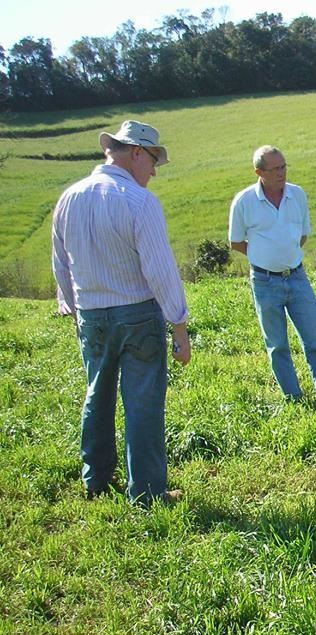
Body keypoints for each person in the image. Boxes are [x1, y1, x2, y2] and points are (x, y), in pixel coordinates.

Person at [52, 120, 191, 507]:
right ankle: (146, 493)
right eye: (153, 160)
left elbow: (61, 264)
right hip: (137, 315)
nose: (154, 170)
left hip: (91, 314)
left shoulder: (69, 197)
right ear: (135, 153)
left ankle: (95, 479)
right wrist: (178, 326)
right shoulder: (139, 201)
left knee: (97, 395)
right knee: (142, 402)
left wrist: (74, 308)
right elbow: (160, 271)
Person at [229, 146, 316, 403]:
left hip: (297, 277)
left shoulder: (297, 195)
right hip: (264, 282)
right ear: (259, 172)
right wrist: (264, 259)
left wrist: (285, 258)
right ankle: (294, 398)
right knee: (277, 345)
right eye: (275, 168)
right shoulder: (244, 201)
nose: (281, 173)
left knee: (315, 341)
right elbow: (235, 242)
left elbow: (303, 234)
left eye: (284, 166)